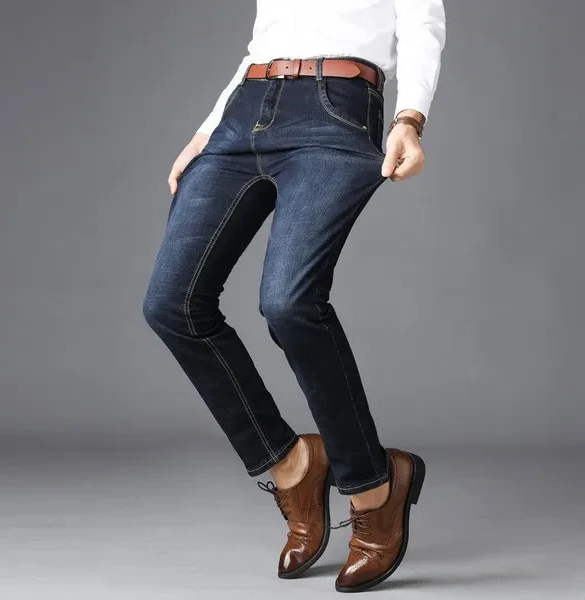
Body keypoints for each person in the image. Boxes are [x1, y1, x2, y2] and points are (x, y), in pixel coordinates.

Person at [143, 0, 445, 592]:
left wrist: (409, 118)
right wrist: (207, 129)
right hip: (246, 109)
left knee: (289, 302)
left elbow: (421, 22)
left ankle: (373, 485)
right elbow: (266, 42)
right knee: (171, 305)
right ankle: (293, 465)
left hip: (337, 112)